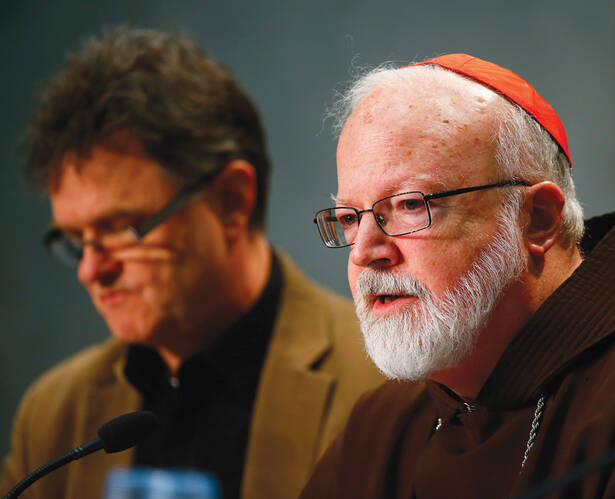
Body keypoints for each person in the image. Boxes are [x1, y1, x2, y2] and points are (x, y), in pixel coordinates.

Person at [303, 53, 615, 498]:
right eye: (348, 218)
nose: (363, 252)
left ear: (536, 219)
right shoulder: (383, 423)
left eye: (410, 205)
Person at [0, 27, 383, 499]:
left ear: (231, 202)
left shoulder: (384, 394)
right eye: (77, 240)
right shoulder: (53, 414)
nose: (90, 271)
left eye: (122, 229)